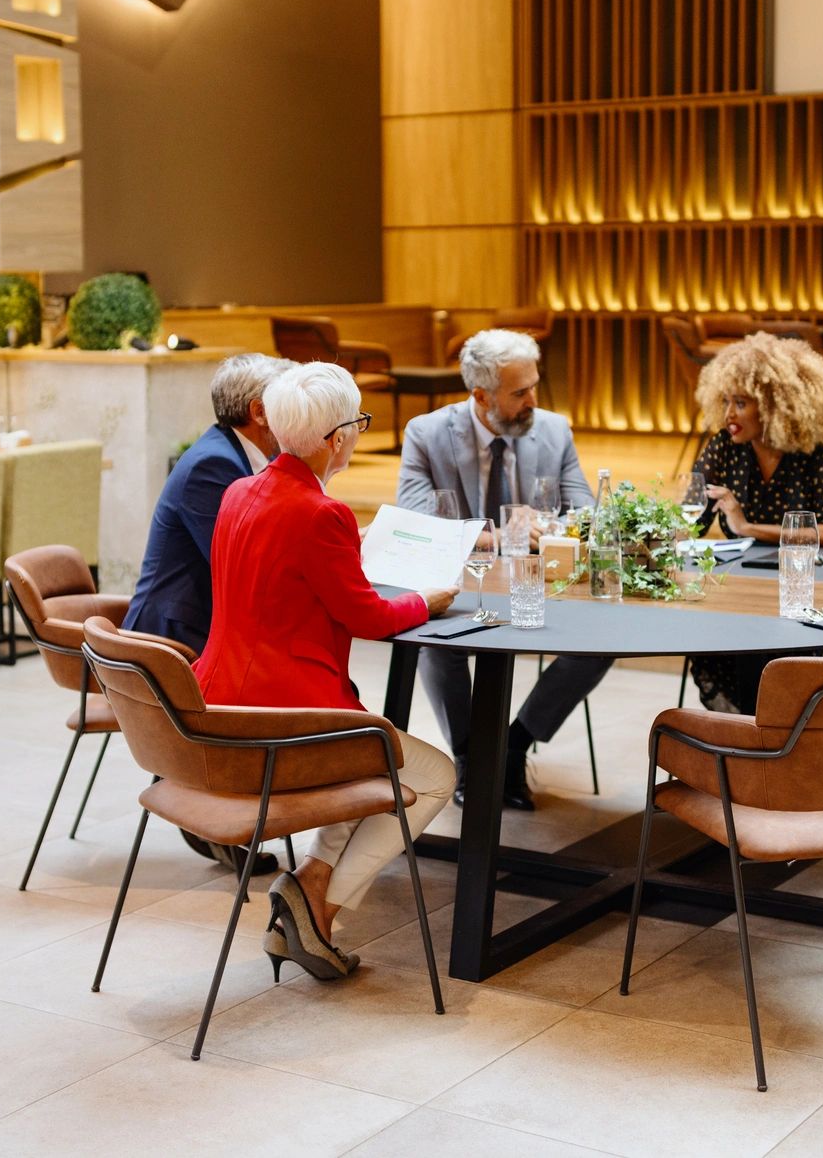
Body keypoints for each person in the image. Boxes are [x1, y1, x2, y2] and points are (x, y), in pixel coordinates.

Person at [197, 361, 459, 981]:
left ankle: (311, 881)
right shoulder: (322, 514)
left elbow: (286, 574)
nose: (359, 436)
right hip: (286, 718)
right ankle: (320, 902)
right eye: (359, 425)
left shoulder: (242, 489)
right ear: (336, 438)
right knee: (435, 776)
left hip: (219, 706)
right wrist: (427, 600)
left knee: (376, 760)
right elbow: (368, 616)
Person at [396, 328, 607, 808]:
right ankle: (471, 758)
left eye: (535, 385)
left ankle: (513, 746)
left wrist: (551, 524)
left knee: (602, 641)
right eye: (520, 392)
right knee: (436, 642)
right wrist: (503, 534)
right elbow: (415, 521)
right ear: (480, 396)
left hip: (538, 589)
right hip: (463, 590)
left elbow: (585, 513)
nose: (533, 399)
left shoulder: (553, 430)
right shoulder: (427, 434)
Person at [125, 351, 295, 873]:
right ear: (260, 410)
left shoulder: (239, 453)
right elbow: (240, 566)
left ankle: (233, 801)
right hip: (175, 636)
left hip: (198, 621)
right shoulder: (215, 464)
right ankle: (216, 805)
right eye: (290, 398)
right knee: (290, 675)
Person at [689, 333, 823, 714]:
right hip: (742, 590)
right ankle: (752, 747)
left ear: (776, 406)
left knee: (779, 649)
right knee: (725, 641)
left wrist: (748, 528)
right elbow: (691, 521)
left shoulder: (818, 452)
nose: (728, 414)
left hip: (809, 590)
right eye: (726, 401)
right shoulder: (723, 447)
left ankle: (780, 745)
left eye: (741, 403)